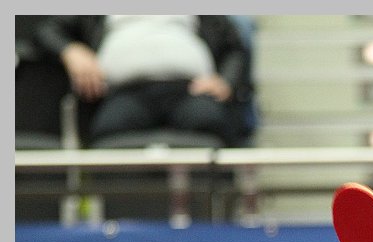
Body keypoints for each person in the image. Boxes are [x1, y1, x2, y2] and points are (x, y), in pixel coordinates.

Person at [33, 15, 253, 148]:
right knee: (108, 131)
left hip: (190, 91)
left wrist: (226, 80)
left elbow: (234, 46)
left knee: (210, 123)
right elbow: (46, 30)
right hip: (125, 94)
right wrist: (70, 50)